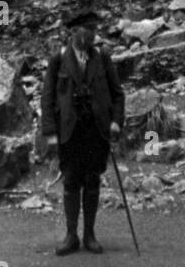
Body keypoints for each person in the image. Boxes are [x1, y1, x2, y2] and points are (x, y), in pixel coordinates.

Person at [41, 23, 124, 255]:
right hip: (69, 131)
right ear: (72, 33)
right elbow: (47, 98)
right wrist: (49, 132)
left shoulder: (103, 59)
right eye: (81, 31)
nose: (86, 36)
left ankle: (90, 235)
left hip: (96, 131)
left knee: (92, 180)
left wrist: (116, 121)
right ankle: (70, 236)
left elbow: (118, 95)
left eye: (90, 31)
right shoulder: (58, 60)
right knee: (70, 181)